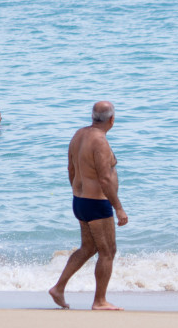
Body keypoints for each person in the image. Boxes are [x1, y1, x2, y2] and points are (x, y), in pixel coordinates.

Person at [49, 101, 128, 311]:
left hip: (81, 201)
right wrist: (118, 207)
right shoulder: (100, 141)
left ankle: (58, 288)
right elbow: (104, 179)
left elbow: (71, 169)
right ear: (112, 119)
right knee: (108, 251)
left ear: (93, 117)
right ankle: (100, 301)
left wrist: (78, 194)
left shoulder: (79, 135)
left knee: (88, 247)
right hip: (97, 203)